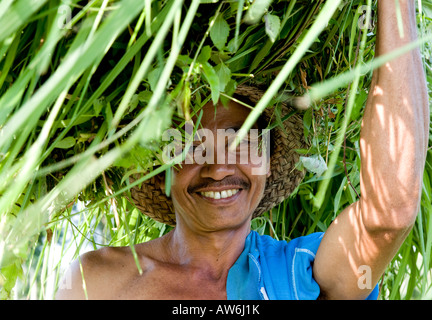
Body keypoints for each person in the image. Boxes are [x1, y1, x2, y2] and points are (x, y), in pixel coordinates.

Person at [56, 0, 428, 300]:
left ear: (267, 159)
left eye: (242, 138)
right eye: (191, 143)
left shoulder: (305, 276)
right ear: (160, 164)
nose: (218, 168)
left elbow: (389, 214)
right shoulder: (97, 284)